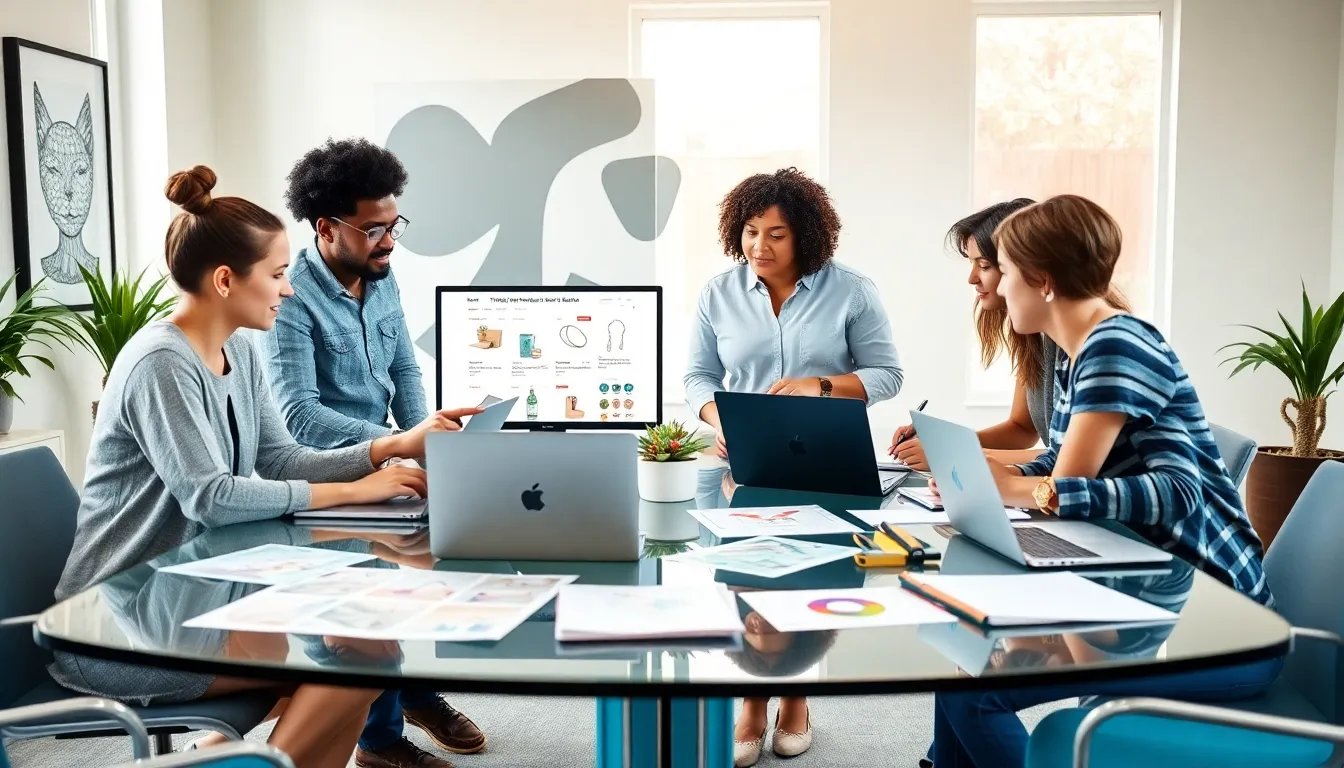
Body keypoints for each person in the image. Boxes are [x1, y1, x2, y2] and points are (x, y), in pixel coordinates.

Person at [50, 166, 474, 768]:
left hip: (198, 592)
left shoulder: (239, 349)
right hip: (123, 622)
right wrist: (352, 491)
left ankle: (219, 757)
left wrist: (386, 450)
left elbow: (279, 459)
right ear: (226, 280)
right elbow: (212, 496)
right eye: (276, 274)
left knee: (369, 648)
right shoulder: (159, 362)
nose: (290, 289)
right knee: (355, 665)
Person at [927, 195, 1277, 768]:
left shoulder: (1118, 343)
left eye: (1003, 271)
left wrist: (1019, 489)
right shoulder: (1078, 350)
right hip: (1141, 589)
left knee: (975, 693)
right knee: (969, 666)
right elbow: (1063, 462)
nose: (996, 287)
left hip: (1213, 622)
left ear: (1042, 282)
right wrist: (1001, 475)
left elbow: (1178, 494)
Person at [261, 138, 487, 767]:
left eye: (394, 225)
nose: (389, 242)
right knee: (360, 610)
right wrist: (392, 450)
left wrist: (429, 440)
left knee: (408, 583)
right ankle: (379, 741)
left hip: (389, 462)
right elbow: (298, 416)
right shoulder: (288, 298)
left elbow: (404, 370)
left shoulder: (382, 278)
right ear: (326, 227)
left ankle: (412, 691)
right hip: (328, 477)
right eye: (373, 230)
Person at [682, 167, 902, 764]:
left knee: (815, 577)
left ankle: (797, 695)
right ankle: (753, 699)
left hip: (827, 457)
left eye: (776, 234)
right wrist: (718, 417)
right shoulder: (718, 294)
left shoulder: (851, 291)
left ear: (805, 234)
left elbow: (887, 374)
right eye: (751, 231)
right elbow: (698, 375)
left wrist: (821, 385)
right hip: (746, 462)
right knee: (746, 574)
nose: (760, 246)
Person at [888, 199, 1130, 471]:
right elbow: (1024, 428)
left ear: (1037, 272)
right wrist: (946, 444)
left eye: (986, 266)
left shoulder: (1098, 346)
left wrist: (954, 453)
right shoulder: (1037, 332)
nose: (972, 278)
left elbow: (1074, 463)